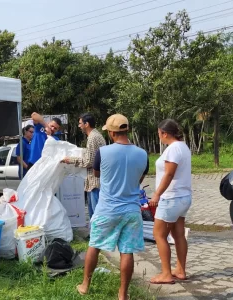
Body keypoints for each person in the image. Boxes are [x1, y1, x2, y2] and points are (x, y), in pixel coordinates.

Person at [77, 114, 149, 300]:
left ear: (111, 132)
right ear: (127, 130)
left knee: (94, 245)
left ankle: (85, 285)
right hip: (132, 210)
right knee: (127, 251)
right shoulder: (142, 154)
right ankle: (123, 294)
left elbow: (97, 173)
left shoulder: (104, 152)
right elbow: (139, 180)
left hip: (108, 209)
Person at [149, 119, 192, 285]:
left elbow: (168, 174)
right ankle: (180, 270)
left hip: (171, 198)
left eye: (159, 133)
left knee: (159, 234)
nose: (159, 136)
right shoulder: (183, 146)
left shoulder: (173, 149)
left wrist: (157, 194)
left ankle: (166, 273)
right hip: (183, 197)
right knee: (178, 233)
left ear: (164, 133)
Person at [61, 113, 106, 219]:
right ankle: (93, 234)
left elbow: (89, 161)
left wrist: (70, 160)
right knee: (93, 212)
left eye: (80, 123)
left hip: (95, 181)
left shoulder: (93, 138)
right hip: (94, 180)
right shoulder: (95, 136)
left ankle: (97, 235)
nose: (79, 126)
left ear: (87, 124)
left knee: (96, 214)